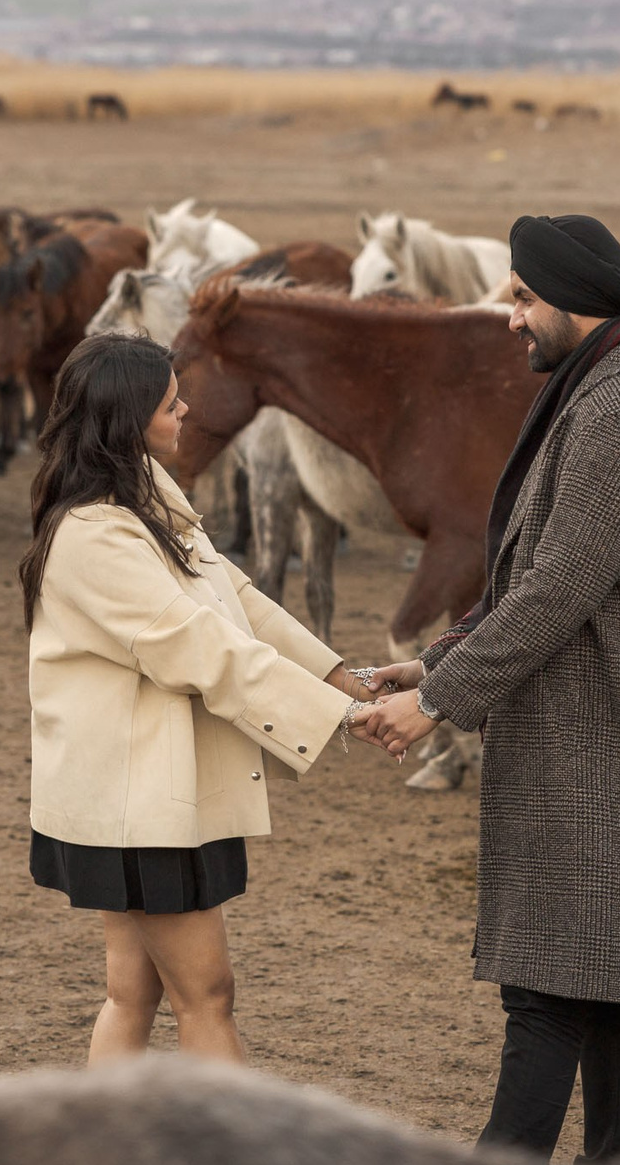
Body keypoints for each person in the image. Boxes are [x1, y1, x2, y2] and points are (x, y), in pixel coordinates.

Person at [358, 213, 620, 1165]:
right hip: (595, 735)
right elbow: (538, 579)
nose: (508, 315)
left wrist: (434, 706)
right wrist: (434, 662)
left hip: (608, 744)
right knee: (600, 988)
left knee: (550, 989)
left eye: (522, 297)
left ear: (575, 304)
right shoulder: (602, 386)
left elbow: (559, 588)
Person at [21, 331, 369, 1065]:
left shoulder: (143, 499)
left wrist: (343, 680)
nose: (187, 414)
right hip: (142, 804)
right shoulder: (95, 535)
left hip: (148, 795)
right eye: (171, 404)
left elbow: (234, 595)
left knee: (134, 994)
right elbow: (198, 645)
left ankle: (110, 1160)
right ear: (127, 417)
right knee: (206, 999)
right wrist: (337, 715)